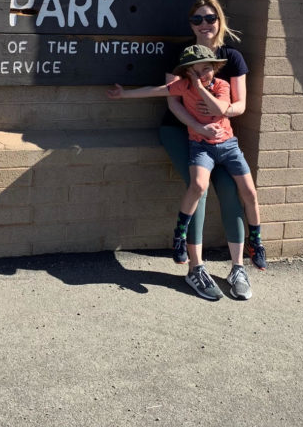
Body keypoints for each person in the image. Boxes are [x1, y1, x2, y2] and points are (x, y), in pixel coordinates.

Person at [109, 43, 263, 301]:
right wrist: (125, 94)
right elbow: (158, 91)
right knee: (198, 186)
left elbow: (220, 109)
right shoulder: (183, 86)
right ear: (187, 73)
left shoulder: (222, 86)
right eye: (195, 71)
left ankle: (255, 243)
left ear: (215, 68)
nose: (201, 74)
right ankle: (179, 237)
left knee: (248, 191)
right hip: (200, 146)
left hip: (228, 147)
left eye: (206, 69)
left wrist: (202, 89)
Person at [159, 0, 266, 300]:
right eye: (197, 19)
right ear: (190, 23)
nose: (204, 24)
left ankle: (237, 267)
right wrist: (197, 126)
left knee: (232, 191)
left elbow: (240, 104)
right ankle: (195, 268)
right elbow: (172, 100)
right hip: (180, 131)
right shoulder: (180, 55)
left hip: (220, 137)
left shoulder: (232, 57)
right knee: (200, 190)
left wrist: (221, 115)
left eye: (210, 18)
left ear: (220, 21)